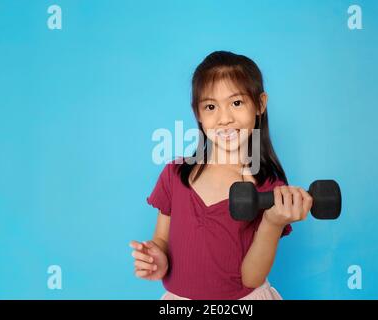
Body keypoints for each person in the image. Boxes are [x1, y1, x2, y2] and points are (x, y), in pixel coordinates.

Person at [130, 51, 313, 300]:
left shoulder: (268, 187)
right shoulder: (175, 175)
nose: (224, 118)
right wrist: (158, 259)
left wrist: (273, 222)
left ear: (259, 104)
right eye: (210, 106)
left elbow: (251, 278)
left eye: (236, 103)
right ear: (197, 113)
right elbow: (161, 240)